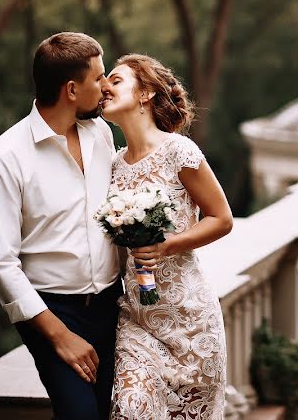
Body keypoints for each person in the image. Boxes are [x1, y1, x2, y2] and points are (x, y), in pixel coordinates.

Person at [0, 32, 121, 420]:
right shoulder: (4, 159)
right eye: (99, 78)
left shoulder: (102, 135)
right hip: (52, 310)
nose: (106, 87)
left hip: (112, 303)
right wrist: (60, 335)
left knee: (113, 412)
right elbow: (1, 265)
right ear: (72, 90)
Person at [100, 53, 233, 419]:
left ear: (145, 94)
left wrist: (166, 245)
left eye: (115, 79)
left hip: (191, 322)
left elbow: (221, 218)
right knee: (128, 410)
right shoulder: (111, 164)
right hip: (138, 322)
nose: (104, 87)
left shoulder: (178, 151)